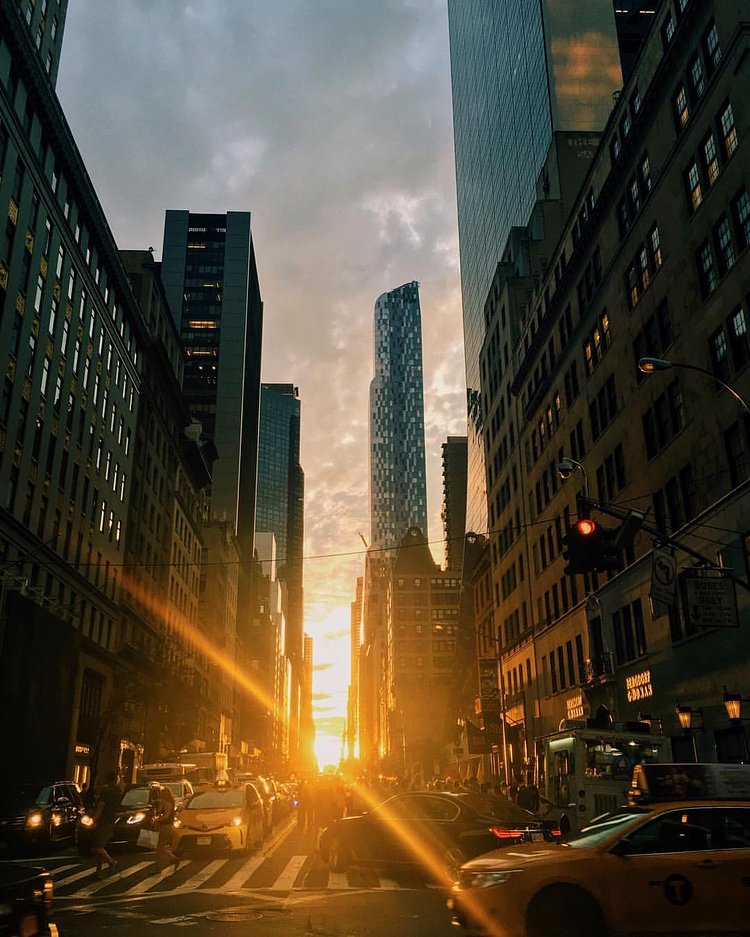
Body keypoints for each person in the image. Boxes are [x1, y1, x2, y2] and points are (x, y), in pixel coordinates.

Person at [91, 771, 121, 878]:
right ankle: (98, 871)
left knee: (97, 847)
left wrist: (94, 819)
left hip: (103, 821)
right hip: (111, 819)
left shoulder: (105, 791)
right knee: (101, 846)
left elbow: (101, 806)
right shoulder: (118, 791)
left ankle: (111, 862)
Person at [155, 785, 180, 871]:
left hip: (166, 827)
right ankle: (172, 859)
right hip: (166, 827)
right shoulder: (165, 803)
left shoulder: (168, 804)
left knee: (160, 848)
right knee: (161, 848)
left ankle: (161, 866)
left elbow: (166, 816)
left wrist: (157, 820)